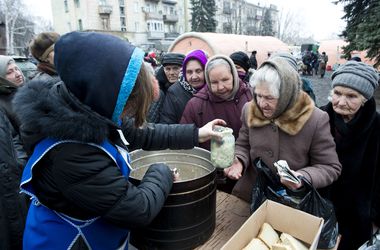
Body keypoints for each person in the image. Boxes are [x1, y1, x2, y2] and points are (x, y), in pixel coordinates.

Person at [13, 31, 224, 250]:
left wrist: (197, 133)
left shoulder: (86, 107)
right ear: (112, 96)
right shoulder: (71, 154)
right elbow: (137, 210)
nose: (129, 116)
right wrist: (162, 170)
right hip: (70, 242)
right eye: (131, 107)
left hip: (100, 231)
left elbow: (143, 133)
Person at [223, 57, 342, 202]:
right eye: (258, 95)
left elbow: (329, 167)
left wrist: (302, 177)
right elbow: (243, 144)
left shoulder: (315, 119)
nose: (261, 103)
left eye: (269, 98)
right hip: (250, 193)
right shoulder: (249, 109)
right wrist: (239, 160)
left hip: (289, 200)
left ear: (287, 95)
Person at [320, 61, 380, 249]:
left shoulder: (377, 126)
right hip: (320, 206)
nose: (341, 101)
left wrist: (376, 217)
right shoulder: (319, 117)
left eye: (351, 96)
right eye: (337, 93)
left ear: (365, 98)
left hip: (358, 213)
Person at [180, 55, 252, 193]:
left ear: (234, 75)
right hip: (211, 177)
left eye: (225, 80)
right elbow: (186, 142)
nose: (220, 87)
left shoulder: (250, 96)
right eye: (214, 82)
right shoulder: (196, 105)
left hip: (246, 174)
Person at [0, 55, 29, 250]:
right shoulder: (3, 104)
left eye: (16, 69)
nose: (17, 73)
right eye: (9, 72)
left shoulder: (23, 93)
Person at [160, 49, 208, 124]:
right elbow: (167, 123)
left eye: (198, 71)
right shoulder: (174, 92)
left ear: (206, 70)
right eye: (189, 72)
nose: (194, 77)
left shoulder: (214, 88)